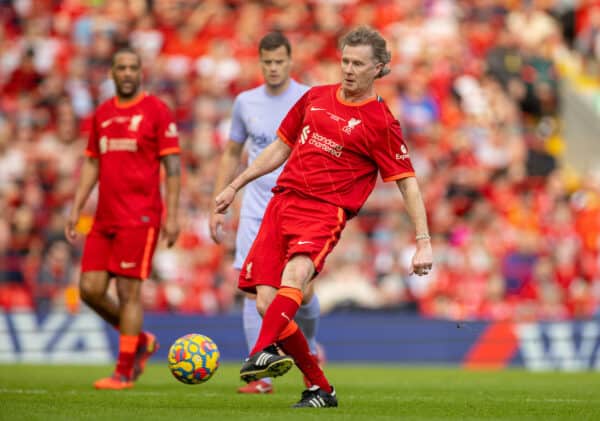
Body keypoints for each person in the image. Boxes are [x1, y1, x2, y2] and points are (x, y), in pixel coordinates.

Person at [214, 26, 433, 408]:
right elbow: (279, 149)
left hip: (323, 211)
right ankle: (320, 388)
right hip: (281, 203)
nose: (348, 69)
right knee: (267, 303)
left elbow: (407, 184)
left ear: (378, 68)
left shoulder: (380, 122)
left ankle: (262, 350)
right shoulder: (315, 97)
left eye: (358, 64)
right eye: (345, 60)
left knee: (295, 277)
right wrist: (236, 184)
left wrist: (422, 241)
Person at [209, 31, 322, 395]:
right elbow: (231, 151)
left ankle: (311, 352)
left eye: (279, 62)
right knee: (253, 293)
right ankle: (261, 377)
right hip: (257, 211)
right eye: (267, 62)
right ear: (260, 63)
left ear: (291, 61)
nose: (273, 68)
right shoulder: (245, 102)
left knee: (301, 293)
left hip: (299, 208)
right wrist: (219, 199)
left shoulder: (307, 98)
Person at [65, 47, 181, 390]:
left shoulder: (157, 111)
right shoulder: (102, 114)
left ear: (140, 72)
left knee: (129, 291)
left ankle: (124, 371)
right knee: (89, 289)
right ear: (112, 73)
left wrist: (172, 216)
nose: (128, 73)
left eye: (133, 67)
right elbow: (91, 162)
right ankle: (141, 341)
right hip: (104, 218)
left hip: (141, 216)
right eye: (121, 68)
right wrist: (76, 206)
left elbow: (172, 168)